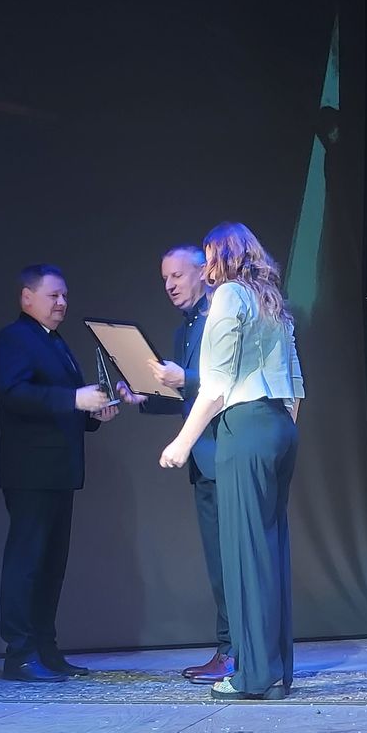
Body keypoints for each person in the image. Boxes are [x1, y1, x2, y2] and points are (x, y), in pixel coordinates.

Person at [159, 222, 305, 700]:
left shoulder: (228, 296)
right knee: (270, 552)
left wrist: (182, 442)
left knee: (246, 558)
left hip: (244, 429)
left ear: (222, 258)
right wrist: (281, 431)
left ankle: (253, 676)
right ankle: (275, 672)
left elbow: (217, 386)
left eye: (209, 260)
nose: (207, 271)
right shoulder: (272, 301)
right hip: (279, 427)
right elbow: (295, 383)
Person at [0, 263, 118, 682]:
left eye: (64, 295)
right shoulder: (14, 338)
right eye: (53, 295)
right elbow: (15, 394)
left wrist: (94, 413)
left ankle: (46, 648)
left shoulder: (55, 341)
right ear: (27, 297)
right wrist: (74, 400)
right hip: (30, 471)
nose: (62, 302)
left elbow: (66, 404)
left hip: (60, 471)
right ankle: (20, 653)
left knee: (51, 566)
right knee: (27, 561)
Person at [118, 245, 234, 684]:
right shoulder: (184, 329)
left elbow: (228, 383)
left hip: (225, 452)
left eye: (177, 276)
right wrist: (144, 398)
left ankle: (237, 651)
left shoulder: (218, 319)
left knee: (232, 562)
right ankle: (229, 648)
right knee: (219, 563)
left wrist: (184, 378)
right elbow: (185, 397)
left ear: (203, 272)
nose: (169, 285)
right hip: (203, 461)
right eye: (164, 278)